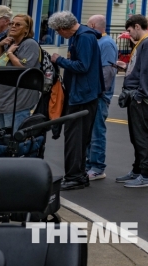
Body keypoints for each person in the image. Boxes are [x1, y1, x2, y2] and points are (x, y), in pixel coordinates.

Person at [49, 11, 103, 191]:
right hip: (81, 93)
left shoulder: (84, 38)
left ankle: (75, 176)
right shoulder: (82, 36)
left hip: (83, 95)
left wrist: (60, 60)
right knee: (76, 138)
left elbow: (83, 66)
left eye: (58, 31)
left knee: (75, 138)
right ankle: (77, 174)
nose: (59, 35)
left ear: (64, 28)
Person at [116, 14, 148, 189]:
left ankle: (146, 175)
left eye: (129, 30)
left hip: (141, 97)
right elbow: (143, 69)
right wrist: (127, 67)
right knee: (137, 136)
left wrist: (140, 95)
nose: (129, 34)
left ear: (136, 26)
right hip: (138, 95)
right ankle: (138, 170)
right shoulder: (145, 44)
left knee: (141, 137)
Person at [0, 14, 41, 132]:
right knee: (3, 140)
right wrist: (0, 47)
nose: (13, 27)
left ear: (27, 29)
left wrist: (10, 53)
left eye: (18, 24)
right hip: (4, 101)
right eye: (11, 24)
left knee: (15, 142)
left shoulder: (30, 44)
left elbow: (24, 68)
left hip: (18, 103)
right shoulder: (10, 44)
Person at [86, 15, 117, 181]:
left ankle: (97, 167)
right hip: (94, 94)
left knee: (97, 131)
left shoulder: (106, 43)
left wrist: (99, 92)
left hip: (99, 95)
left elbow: (108, 71)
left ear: (92, 25)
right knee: (90, 131)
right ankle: (89, 164)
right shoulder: (99, 42)